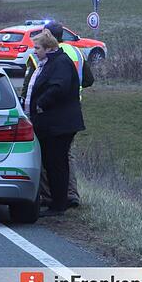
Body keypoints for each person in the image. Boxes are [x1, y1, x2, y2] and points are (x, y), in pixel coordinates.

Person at [21, 21, 93, 208]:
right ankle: (66, 196)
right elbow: (88, 80)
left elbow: (55, 87)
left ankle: (56, 200)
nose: (34, 50)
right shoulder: (75, 53)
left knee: (56, 163)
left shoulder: (55, 61)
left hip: (59, 119)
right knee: (61, 160)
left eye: (37, 47)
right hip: (62, 115)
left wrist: (39, 104)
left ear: (48, 41)